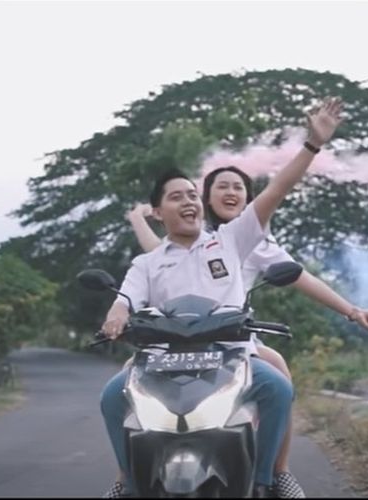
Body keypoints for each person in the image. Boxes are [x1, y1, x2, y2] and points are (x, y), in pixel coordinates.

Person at [100, 97, 351, 498]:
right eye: (176, 196)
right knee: (112, 396)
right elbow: (125, 297)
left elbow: (278, 189)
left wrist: (313, 144)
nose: (188, 201)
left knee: (277, 388)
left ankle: (268, 479)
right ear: (158, 212)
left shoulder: (231, 240)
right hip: (161, 359)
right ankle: (128, 482)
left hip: (231, 354)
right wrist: (116, 314)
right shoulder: (148, 262)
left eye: (191, 195)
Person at [124, 165, 368, 497]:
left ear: (249, 198)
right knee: (125, 389)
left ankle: (277, 472)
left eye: (239, 187)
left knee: (278, 376)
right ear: (207, 196)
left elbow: (301, 277)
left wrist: (352, 311)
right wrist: (138, 219)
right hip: (178, 340)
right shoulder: (193, 234)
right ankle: (127, 479)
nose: (231, 192)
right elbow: (156, 254)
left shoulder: (247, 237)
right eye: (222, 186)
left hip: (233, 336)